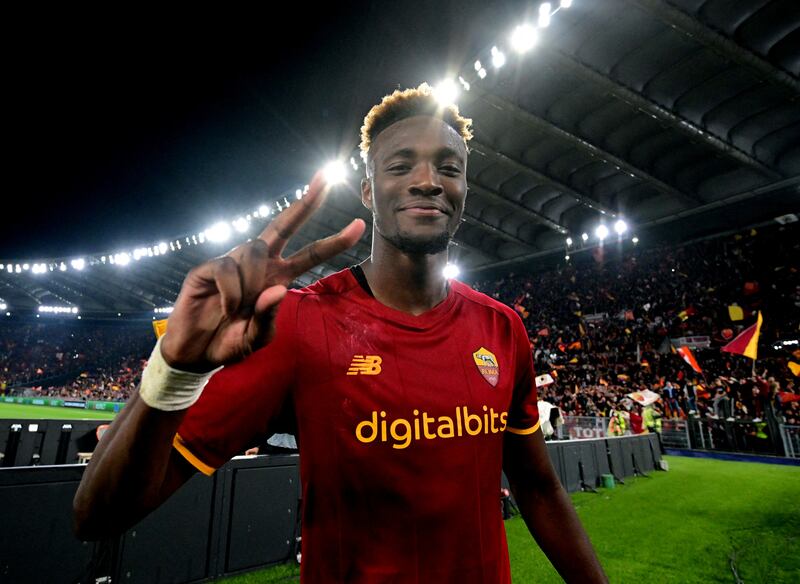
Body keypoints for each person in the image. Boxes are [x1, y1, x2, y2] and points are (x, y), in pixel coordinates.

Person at [73, 84, 607, 583]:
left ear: (464, 187)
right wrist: (178, 364)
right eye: (401, 166)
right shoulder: (300, 323)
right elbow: (98, 514)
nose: (429, 180)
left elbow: (537, 488)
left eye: (449, 167)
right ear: (369, 192)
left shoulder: (502, 327)